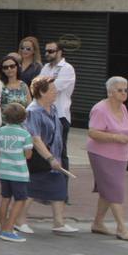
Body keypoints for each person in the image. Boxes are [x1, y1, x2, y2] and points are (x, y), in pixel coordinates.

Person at [24, 76, 79, 235]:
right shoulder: (33, 111)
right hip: (40, 157)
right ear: (41, 92)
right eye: (53, 90)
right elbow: (35, 137)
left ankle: (59, 222)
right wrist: (49, 158)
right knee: (31, 189)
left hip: (53, 155)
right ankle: (19, 220)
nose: (56, 93)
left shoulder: (53, 108)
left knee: (58, 188)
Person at [86, 77, 128, 240]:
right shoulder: (100, 109)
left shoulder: (122, 108)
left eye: (126, 90)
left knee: (107, 190)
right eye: (120, 90)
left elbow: (125, 128)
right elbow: (92, 132)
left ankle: (98, 223)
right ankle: (121, 228)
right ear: (110, 92)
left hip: (120, 156)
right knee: (115, 189)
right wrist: (116, 137)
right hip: (102, 155)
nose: (124, 93)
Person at [0, 103, 33, 243]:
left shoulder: (1, 131)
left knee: (5, 198)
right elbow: (28, 155)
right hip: (19, 172)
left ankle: (3, 227)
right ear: (23, 118)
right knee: (20, 199)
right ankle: (8, 229)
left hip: (3, 170)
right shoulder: (25, 134)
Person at [39, 42, 76, 158]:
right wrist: (47, 82)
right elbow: (37, 86)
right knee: (44, 149)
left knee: (59, 151)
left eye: (50, 51)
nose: (47, 54)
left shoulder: (67, 68)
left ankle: (63, 176)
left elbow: (52, 88)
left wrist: (44, 83)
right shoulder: (45, 67)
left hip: (60, 115)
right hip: (44, 114)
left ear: (59, 52)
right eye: (46, 51)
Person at [0, 54, 31, 143]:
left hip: (21, 128)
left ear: (17, 67)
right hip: (3, 128)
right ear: (2, 70)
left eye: (12, 66)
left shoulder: (23, 85)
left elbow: (30, 107)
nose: (9, 69)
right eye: (5, 67)